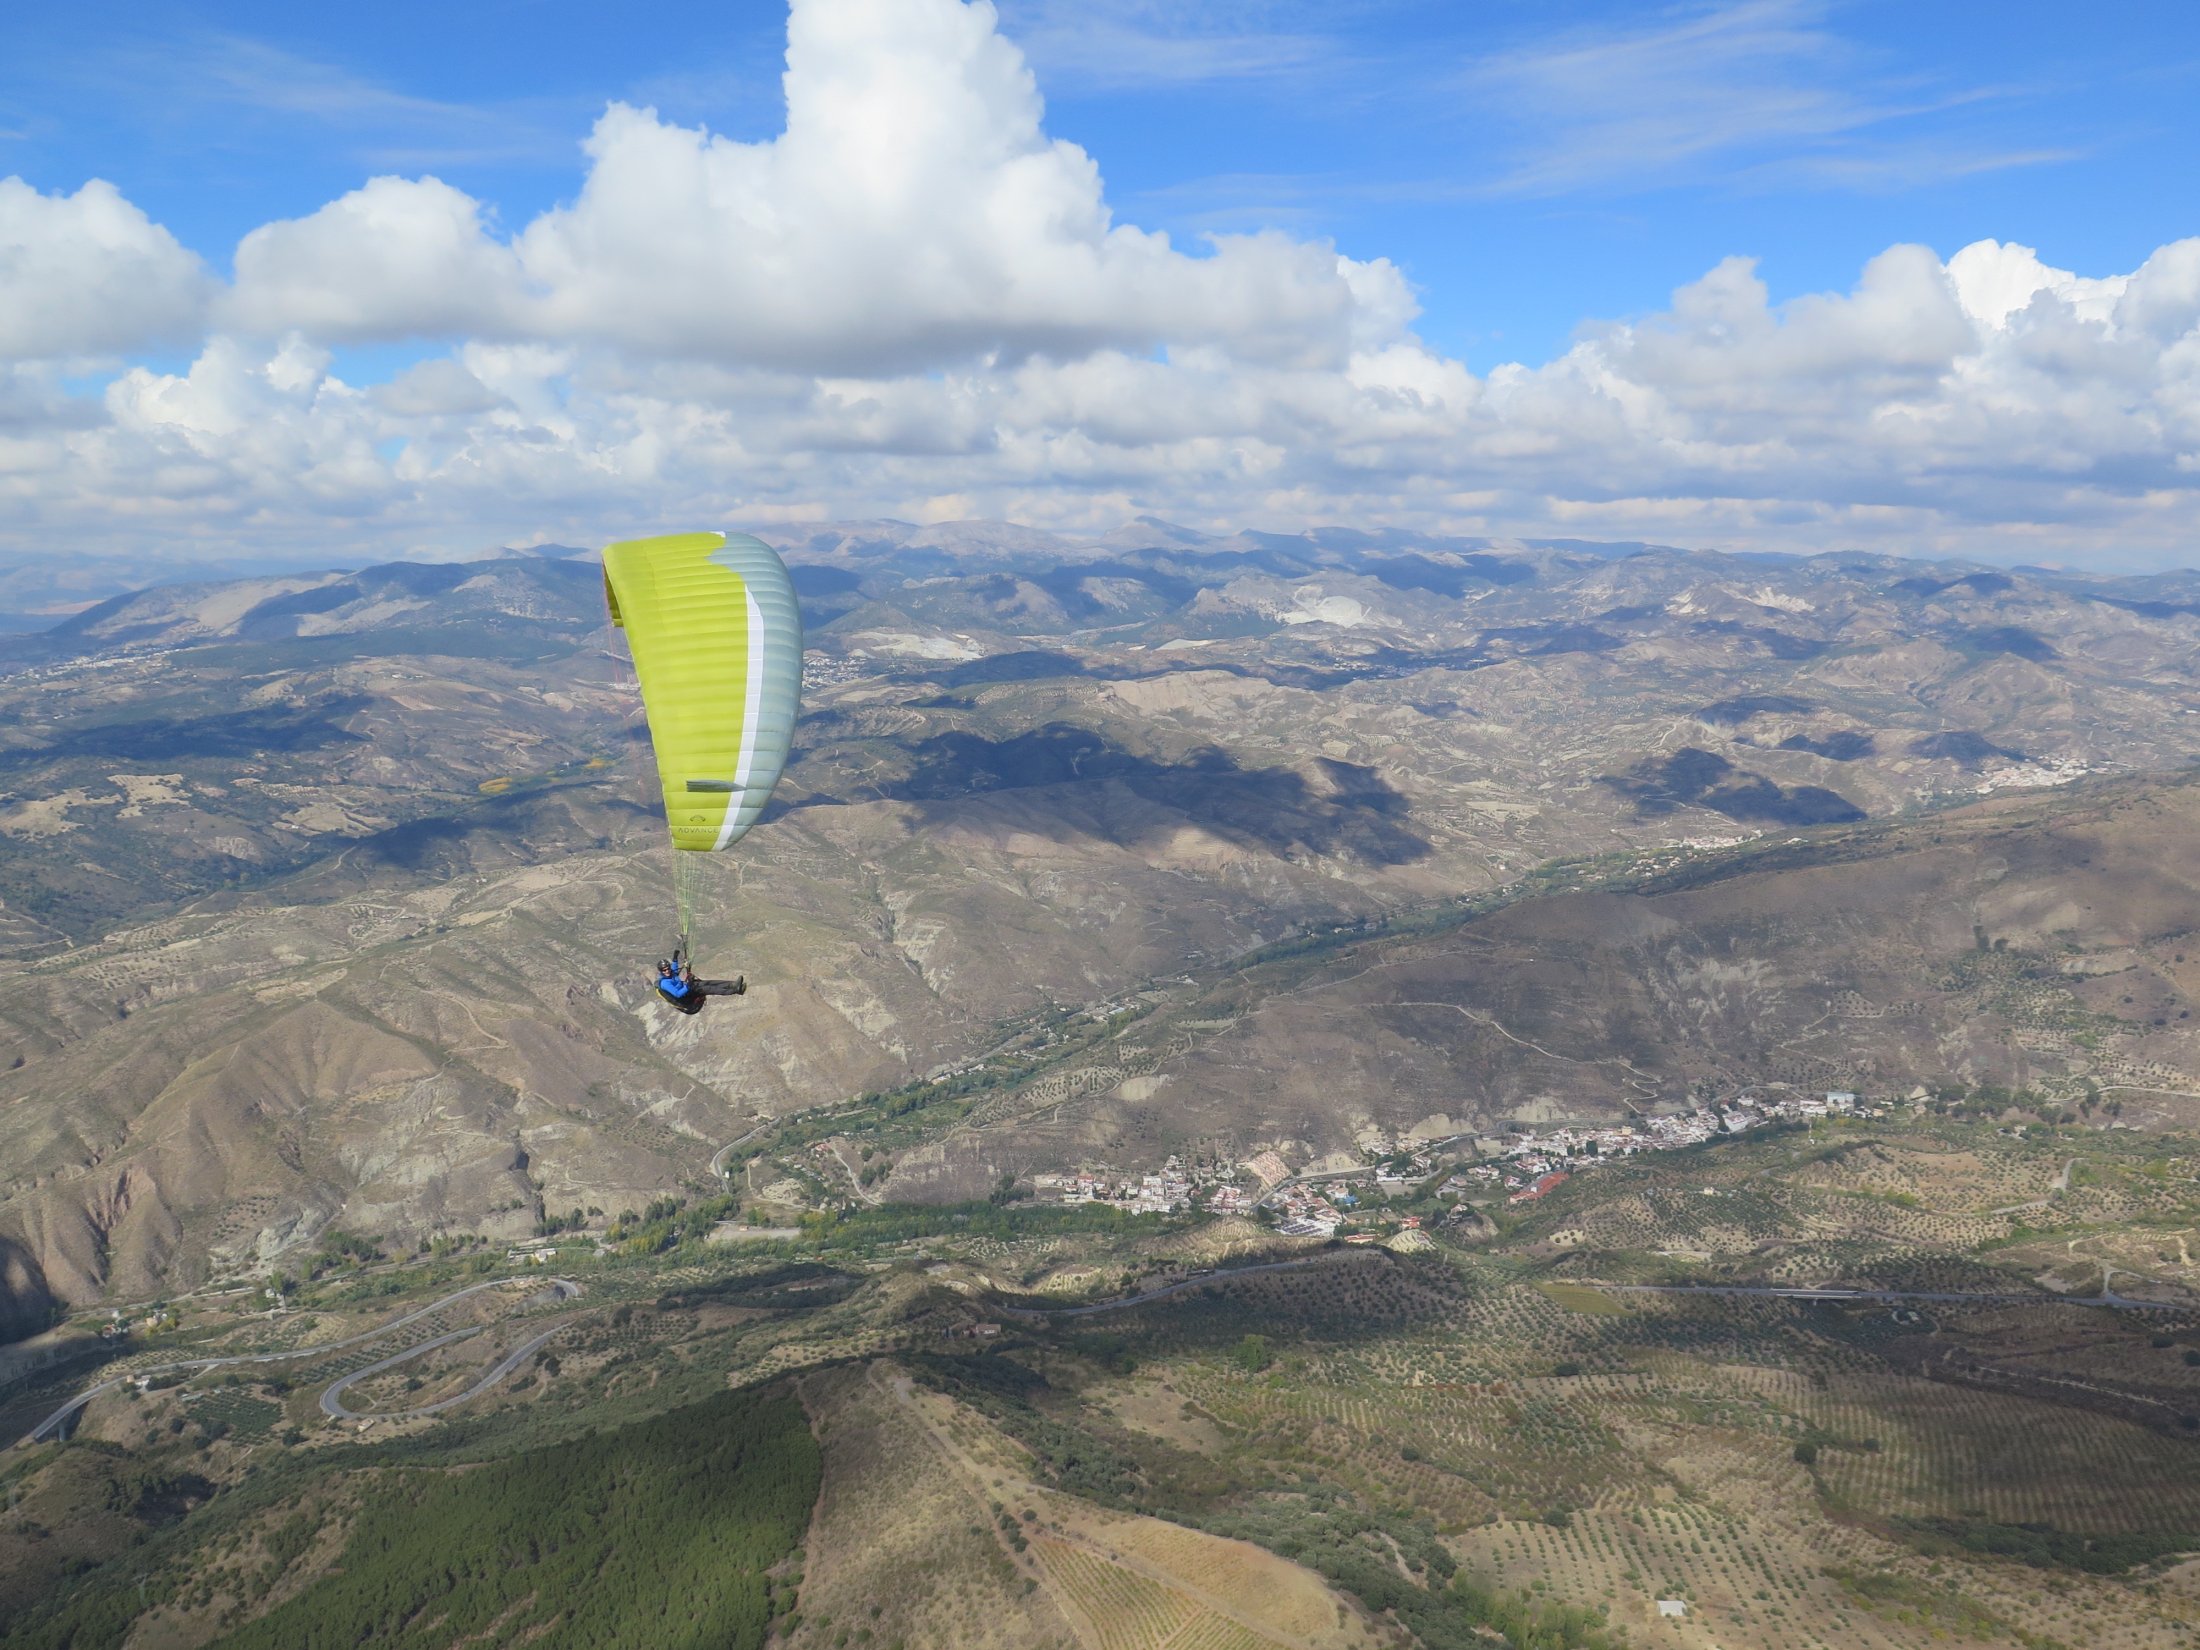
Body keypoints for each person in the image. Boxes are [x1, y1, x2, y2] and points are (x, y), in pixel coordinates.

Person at [653, 949, 746, 1015]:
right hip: (687, 1001)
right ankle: (735, 990)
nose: (667, 971)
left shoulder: (671, 973)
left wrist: (675, 958)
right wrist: (688, 986)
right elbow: (677, 994)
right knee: (706, 989)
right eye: (664, 970)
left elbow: (674, 969)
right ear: (661, 971)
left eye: (668, 968)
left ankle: (733, 984)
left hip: (687, 991)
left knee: (707, 983)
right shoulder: (665, 983)